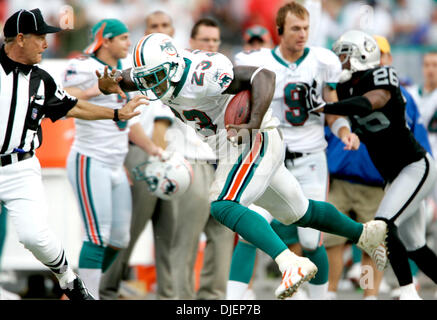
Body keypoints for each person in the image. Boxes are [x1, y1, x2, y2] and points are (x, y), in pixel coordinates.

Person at [97, 30, 389, 300]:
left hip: (250, 137)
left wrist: (252, 122)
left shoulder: (201, 74)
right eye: (150, 78)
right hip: (232, 145)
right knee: (299, 212)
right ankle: (364, 234)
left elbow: (263, 76)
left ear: (173, 66)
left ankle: (289, 262)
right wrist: (111, 83)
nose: (154, 84)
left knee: (222, 204)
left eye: (159, 76)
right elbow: (130, 77)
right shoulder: (159, 72)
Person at [0, 8, 144, 301]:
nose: (45, 44)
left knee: (33, 236)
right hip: (86, 159)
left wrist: (116, 112)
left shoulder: (41, 79)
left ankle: (68, 279)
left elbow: (72, 107)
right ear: (19, 38)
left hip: (19, 168)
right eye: (40, 37)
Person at [226, 2, 359, 300]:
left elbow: (332, 109)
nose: (302, 34)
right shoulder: (260, 62)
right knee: (250, 229)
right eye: (296, 28)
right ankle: (232, 300)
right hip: (271, 160)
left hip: (311, 158)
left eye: (306, 28)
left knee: (312, 239)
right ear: (280, 31)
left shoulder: (323, 61)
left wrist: (344, 131)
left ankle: (320, 297)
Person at [305, 29, 437, 300]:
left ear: (362, 55)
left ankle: (408, 292)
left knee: (382, 226)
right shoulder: (344, 87)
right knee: (416, 245)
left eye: (344, 55)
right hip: (393, 176)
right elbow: (339, 109)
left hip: (414, 167)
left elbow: (369, 103)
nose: (339, 61)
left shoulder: (382, 76)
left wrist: (326, 107)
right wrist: (344, 130)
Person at [61, 18, 163, 300]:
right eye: (123, 37)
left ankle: (76, 292)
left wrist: (154, 149)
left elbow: (129, 124)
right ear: (106, 40)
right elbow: (62, 101)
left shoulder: (124, 72)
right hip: (89, 159)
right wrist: (99, 88)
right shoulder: (81, 65)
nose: (128, 43)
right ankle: (87, 296)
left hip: (116, 165)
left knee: (120, 239)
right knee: (96, 236)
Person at [170, 17, 235, 300]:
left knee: (221, 239)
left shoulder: (224, 72)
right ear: (192, 43)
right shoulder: (176, 74)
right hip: (192, 160)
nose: (210, 46)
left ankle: (213, 300)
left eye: (215, 41)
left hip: (221, 162)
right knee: (187, 238)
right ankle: (182, 300)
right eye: (205, 40)